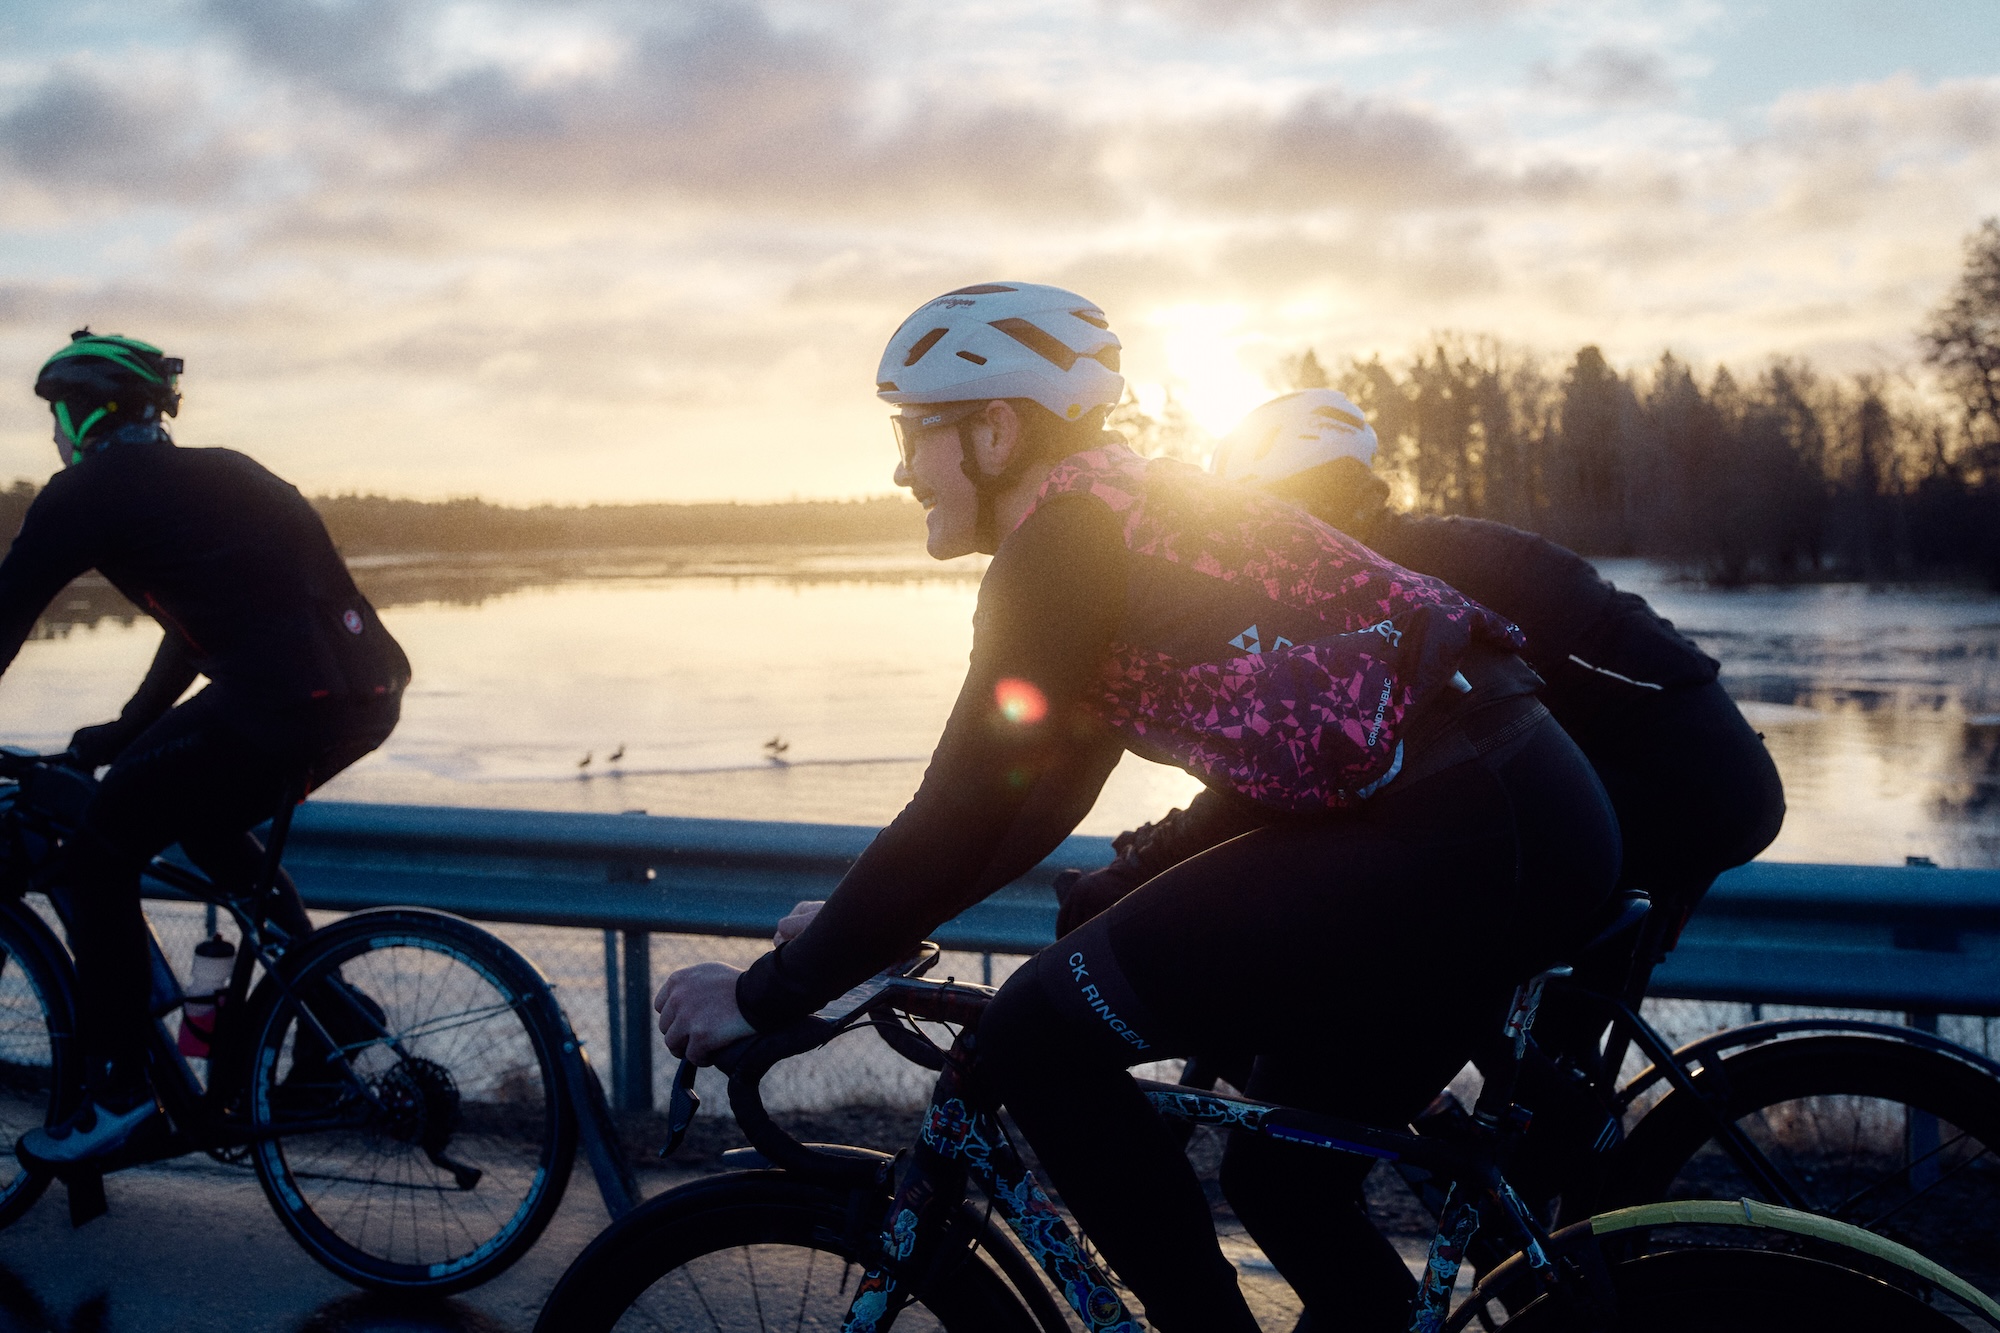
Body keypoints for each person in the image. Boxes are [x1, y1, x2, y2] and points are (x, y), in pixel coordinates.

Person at [654, 285, 1620, 1331]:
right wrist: (870, 933)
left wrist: (765, 993)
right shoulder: (1117, 517)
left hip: (1463, 826)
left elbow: (965, 804)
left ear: (993, 429)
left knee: (1033, 1035)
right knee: (1278, 1176)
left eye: (909, 432)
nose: (897, 468)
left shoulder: (1065, 543)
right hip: (1518, 812)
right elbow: (1026, 800)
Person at [1063, 388, 1787, 1212]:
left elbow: (1312, 774)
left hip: (1671, 788)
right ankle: (1546, 1220)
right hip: (1695, 772)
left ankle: (1528, 1191)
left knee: (1440, 934)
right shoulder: (1412, 547)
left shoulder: (1374, 581)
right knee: (1528, 1074)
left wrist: (1154, 858)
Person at [8, 330, 410, 1169]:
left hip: (273, 703)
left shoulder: (83, 493)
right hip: (365, 698)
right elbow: (207, 631)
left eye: (57, 415)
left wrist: (125, 741)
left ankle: (122, 1095)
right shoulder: (232, 473)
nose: (52, 435)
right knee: (202, 819)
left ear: (87, 415)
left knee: (94, 859)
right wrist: (124, 730)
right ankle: (337, 1019)